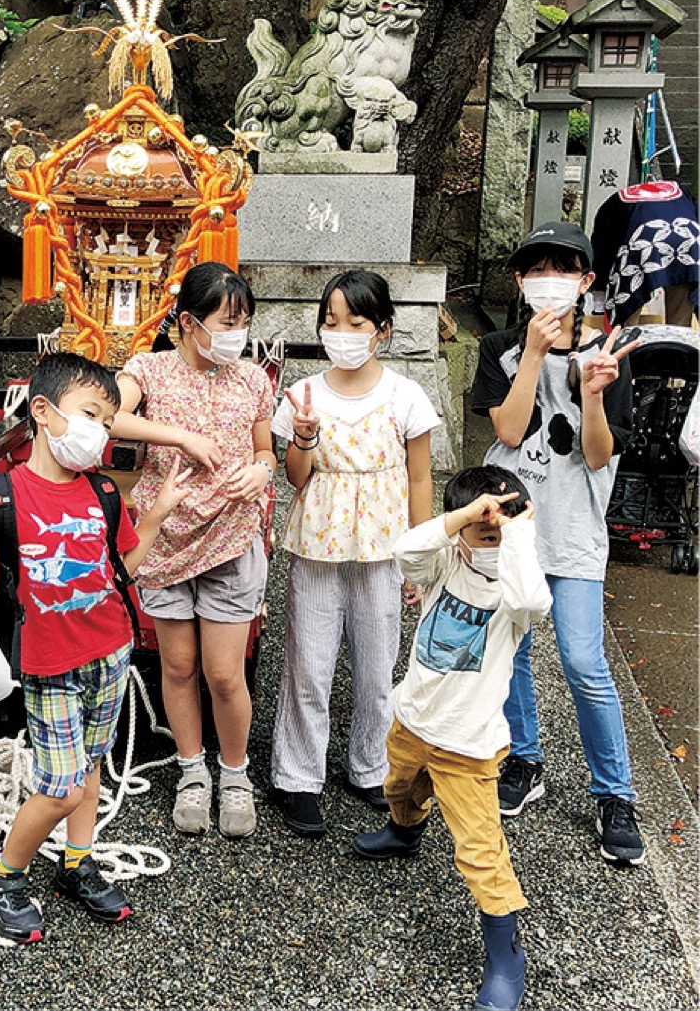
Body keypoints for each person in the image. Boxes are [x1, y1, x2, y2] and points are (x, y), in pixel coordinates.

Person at [0, 352, 191, 945]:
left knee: (88, 770)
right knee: (61, 787)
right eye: (90, 413)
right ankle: (5, 874)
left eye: (108, 420)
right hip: (50, 666)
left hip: (112, 652)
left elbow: (124, 570)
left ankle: (76, 861)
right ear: (43, 411)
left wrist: (160, 515)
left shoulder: (101, 493)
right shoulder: (0, 496)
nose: (101, 430)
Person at [472, 220, 644, 866]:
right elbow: (511, 432)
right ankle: (525, 756)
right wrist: (537, 355)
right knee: (510, 646)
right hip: (515, 527)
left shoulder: (609, 353)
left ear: (586, 280)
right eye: (537, 267)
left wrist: (594, 393)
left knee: (582, 659)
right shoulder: (500, 348)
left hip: (574, 531)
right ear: (520, 281)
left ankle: (615, 791)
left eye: (564, 267)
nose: (551, 278)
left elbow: (599, 454)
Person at [351, 465, 551, 1011]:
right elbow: (405, 551)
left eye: (499, 536)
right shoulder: (444, 563)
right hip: (413, 720)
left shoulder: (513, 590)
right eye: (482, 535)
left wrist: (514, 537)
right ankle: (404, 832)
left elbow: (534, 602)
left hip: (468, 745)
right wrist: (462, 518)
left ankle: (507, 958)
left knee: (480, 850)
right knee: (399, 788)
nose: (491, 543)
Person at [269, 269, 439, 839]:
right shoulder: (302, 393)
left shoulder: (407, 395)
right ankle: (297, 777)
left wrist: (421, 555)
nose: (340, 332)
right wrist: (305, 436)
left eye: (355, 322)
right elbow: (295, 477)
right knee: (309, 666)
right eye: (331, 321)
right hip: (317, 543)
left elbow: (420, 480)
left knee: (376, 668)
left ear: (382, 330)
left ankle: (371, 766)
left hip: (382, 548)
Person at [109, 262, 275, 839]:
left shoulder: (254, 378)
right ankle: (191, 770)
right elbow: (110, 413)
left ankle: (235, 772)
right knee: (177, 665)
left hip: (231, 534)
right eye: (227, 322)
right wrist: (180, 436)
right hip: (164, 535)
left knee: (225, 673)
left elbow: (266, 450)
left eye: (245, 322)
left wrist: (261, 471)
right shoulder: (148, 370)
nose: (238, 333)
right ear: (187, 322)